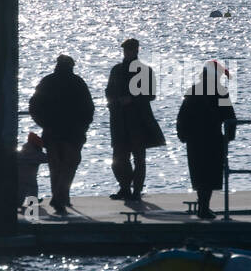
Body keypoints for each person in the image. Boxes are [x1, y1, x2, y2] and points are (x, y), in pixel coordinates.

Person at [28, 54, 95, 215]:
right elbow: (88, 108)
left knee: (55, 166)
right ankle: (60, 196)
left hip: (51, 131)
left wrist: (43, 123)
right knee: (69, 165)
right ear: (71, 66)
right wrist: (83, 127)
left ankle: (59, 196)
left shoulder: (47, 82)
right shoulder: (78, 82)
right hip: (73, 133)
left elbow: (34, 106)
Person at [105, 37, 165, 203]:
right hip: (119, 120)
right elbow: (108, 91)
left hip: (138, 121)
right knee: (118, 159)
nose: (127, 52)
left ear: (136, 50)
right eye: (125, 50)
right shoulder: (116, 70)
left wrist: (131, 99)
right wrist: (116, 102)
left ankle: (136, 190)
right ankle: (125, 187)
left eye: (130, 49)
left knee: (139, 158)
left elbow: (151, 95)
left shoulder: (145, 71)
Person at [176, 61, 236, 219]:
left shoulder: (193, 91)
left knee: (199, 173)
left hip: (194, 139)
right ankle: (204, 207)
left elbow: (182, 116)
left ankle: (203, 206)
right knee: (210, 174)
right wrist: (229, 136)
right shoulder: (221, 92)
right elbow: (229, 116)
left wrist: (182, 134)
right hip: (213, 138)